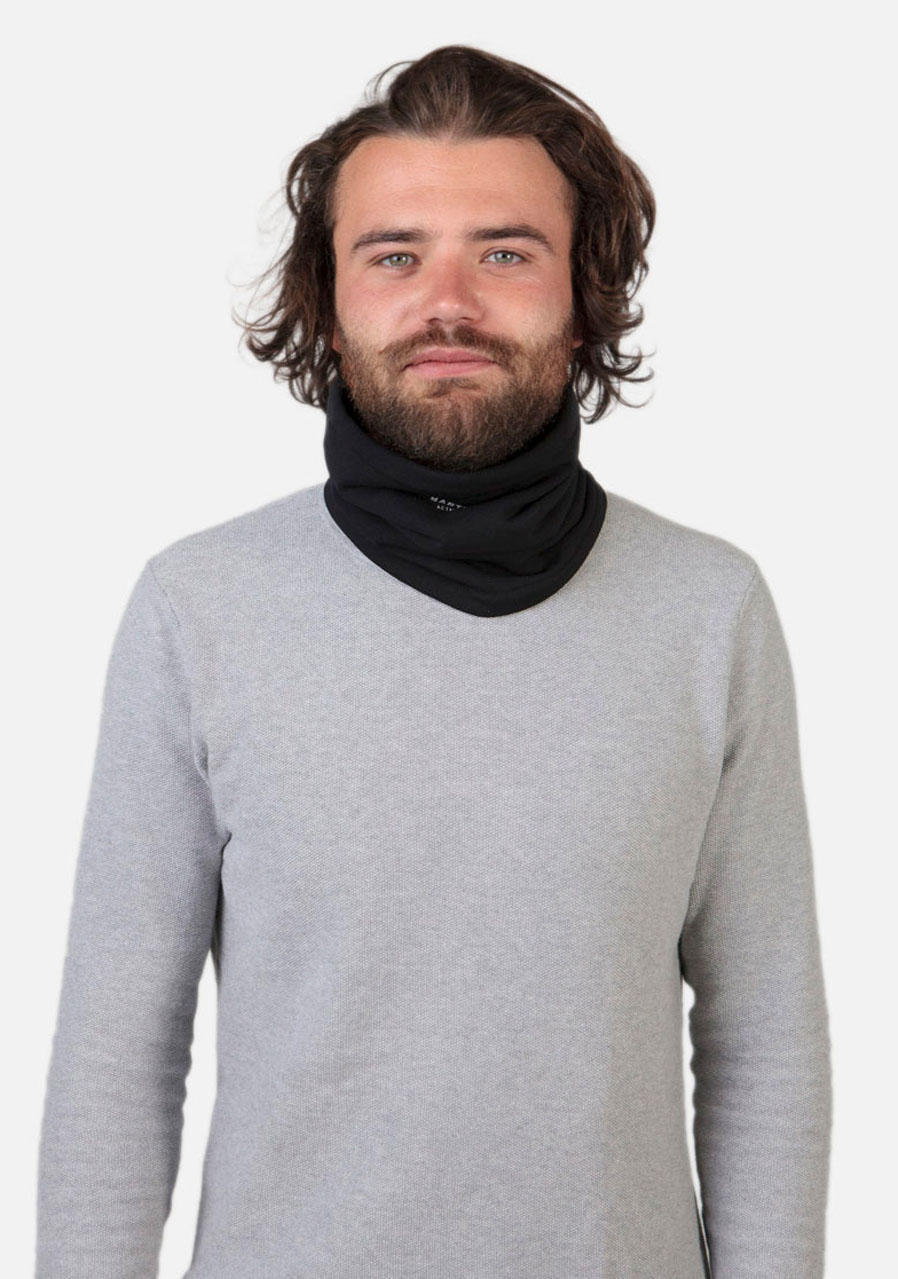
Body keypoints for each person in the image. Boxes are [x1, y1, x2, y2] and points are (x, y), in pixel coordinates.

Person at [35, 44, 833, 1279]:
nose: (446, 302)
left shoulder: (706, 608)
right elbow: (117, 1047)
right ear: (328, 297)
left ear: (582, 293)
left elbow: (763, 1031)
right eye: (394, 254)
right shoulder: (200, 609)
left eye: (504, 253)